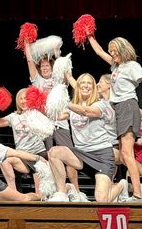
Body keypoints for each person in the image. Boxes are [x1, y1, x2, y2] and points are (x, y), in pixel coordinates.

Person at [88, 35, 142, 202]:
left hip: (127, 106)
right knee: (124, 157)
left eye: (115, 51)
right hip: (119, 110)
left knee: (126, 153)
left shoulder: (132, 66)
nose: (113, 54)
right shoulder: (116, 67)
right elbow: (99, 52)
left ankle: (138, 195)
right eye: (112, 52)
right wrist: (89, 35)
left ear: (123, 50)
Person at [47, 73, 127, 203]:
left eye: (89, 83)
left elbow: (86, 111)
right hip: (81, 154)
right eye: (82, 82)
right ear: (78, 86)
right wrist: (42, 105)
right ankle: (61, 193)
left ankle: (122, 185)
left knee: (102, 200)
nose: (85, 85)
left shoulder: (100, 104)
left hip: (102, 155)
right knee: (54, 152)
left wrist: (65, 102)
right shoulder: (72, 107)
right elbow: (54, 116)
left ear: (94, 88)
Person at [96, 74, 142, 202]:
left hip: (114, 143)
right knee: (126, 160)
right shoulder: (100, 103)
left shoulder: (119, 102)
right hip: (105, 143)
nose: (97, 84)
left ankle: (135, 191)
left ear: (109, 85)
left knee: (126, 159)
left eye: (100, 81)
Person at [26, 40, 81, 198]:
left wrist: (56, 51)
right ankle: (58, 192)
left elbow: (61, 65)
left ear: (51, 67)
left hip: (62, 124)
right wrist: (26, 43)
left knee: (70, 159)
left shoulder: (58, 79)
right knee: (51, 159)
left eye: (47, 66)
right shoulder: (37, 81)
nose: (44, 68)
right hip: (46, 127)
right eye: (42, 66)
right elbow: (30, 61)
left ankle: (76, 192)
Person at [0, 88, 46, 199]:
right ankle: (13, 194)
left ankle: (29, 199)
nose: (23, 101)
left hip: (38, 155)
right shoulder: (13, 116)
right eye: (20, 99)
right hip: (22, 156)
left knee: (40, 196)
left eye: (26, 98)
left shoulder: (37, 113)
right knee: (5, 161)